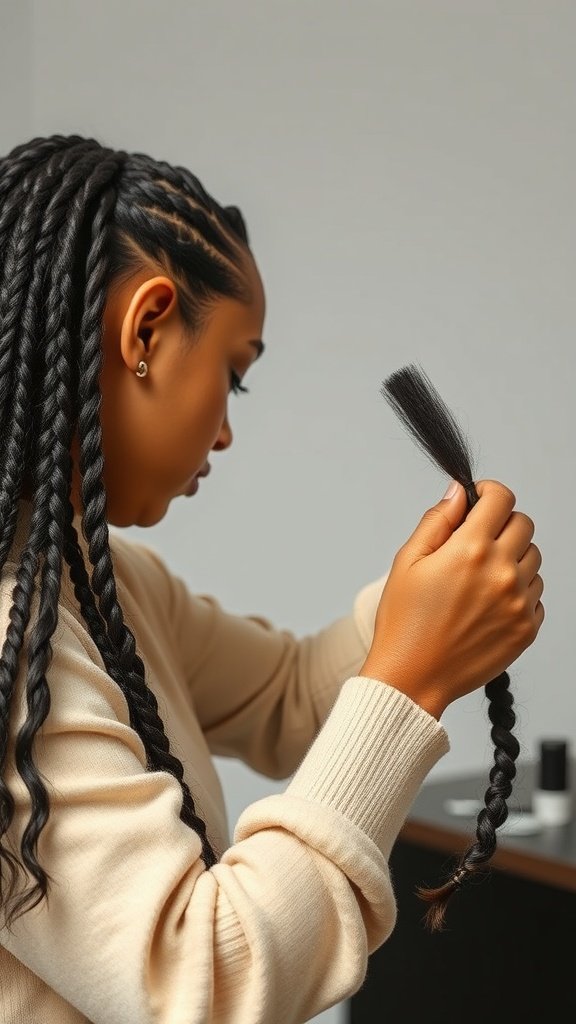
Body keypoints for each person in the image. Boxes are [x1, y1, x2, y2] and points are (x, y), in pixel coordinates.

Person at [0, 136, 544, 1024]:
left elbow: (290, 697)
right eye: (234, 374)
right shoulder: (13, 639)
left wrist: (424, 604)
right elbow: (204, 985)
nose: (224, 434)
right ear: (146, 328)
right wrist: (411, 679)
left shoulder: (101, 581)